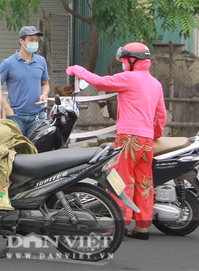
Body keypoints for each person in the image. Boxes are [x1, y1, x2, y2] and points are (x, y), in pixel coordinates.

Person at [66, 42, 166, 240]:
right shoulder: (156, 83)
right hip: (146, 140)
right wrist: (154, 133)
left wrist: (79, 70)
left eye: (123, 60)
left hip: (128, 138)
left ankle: (119, 225)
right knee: (144, 182)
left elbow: (100, 82)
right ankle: (142, 228)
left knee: (121, 180)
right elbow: (161, 115)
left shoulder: (129, 78)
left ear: (132, 60)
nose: (122, 64)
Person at [0, 26, 50, 137]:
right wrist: (7, 108)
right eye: (31, 40)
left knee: (36, 150)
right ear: (21, 41)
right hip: (16, 116)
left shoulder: (41, 61)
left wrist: (44, 95)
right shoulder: (8, 63)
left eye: (36, 40)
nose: (34, 43)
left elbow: (45, 84)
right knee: (17, 150)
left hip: (38, 115)